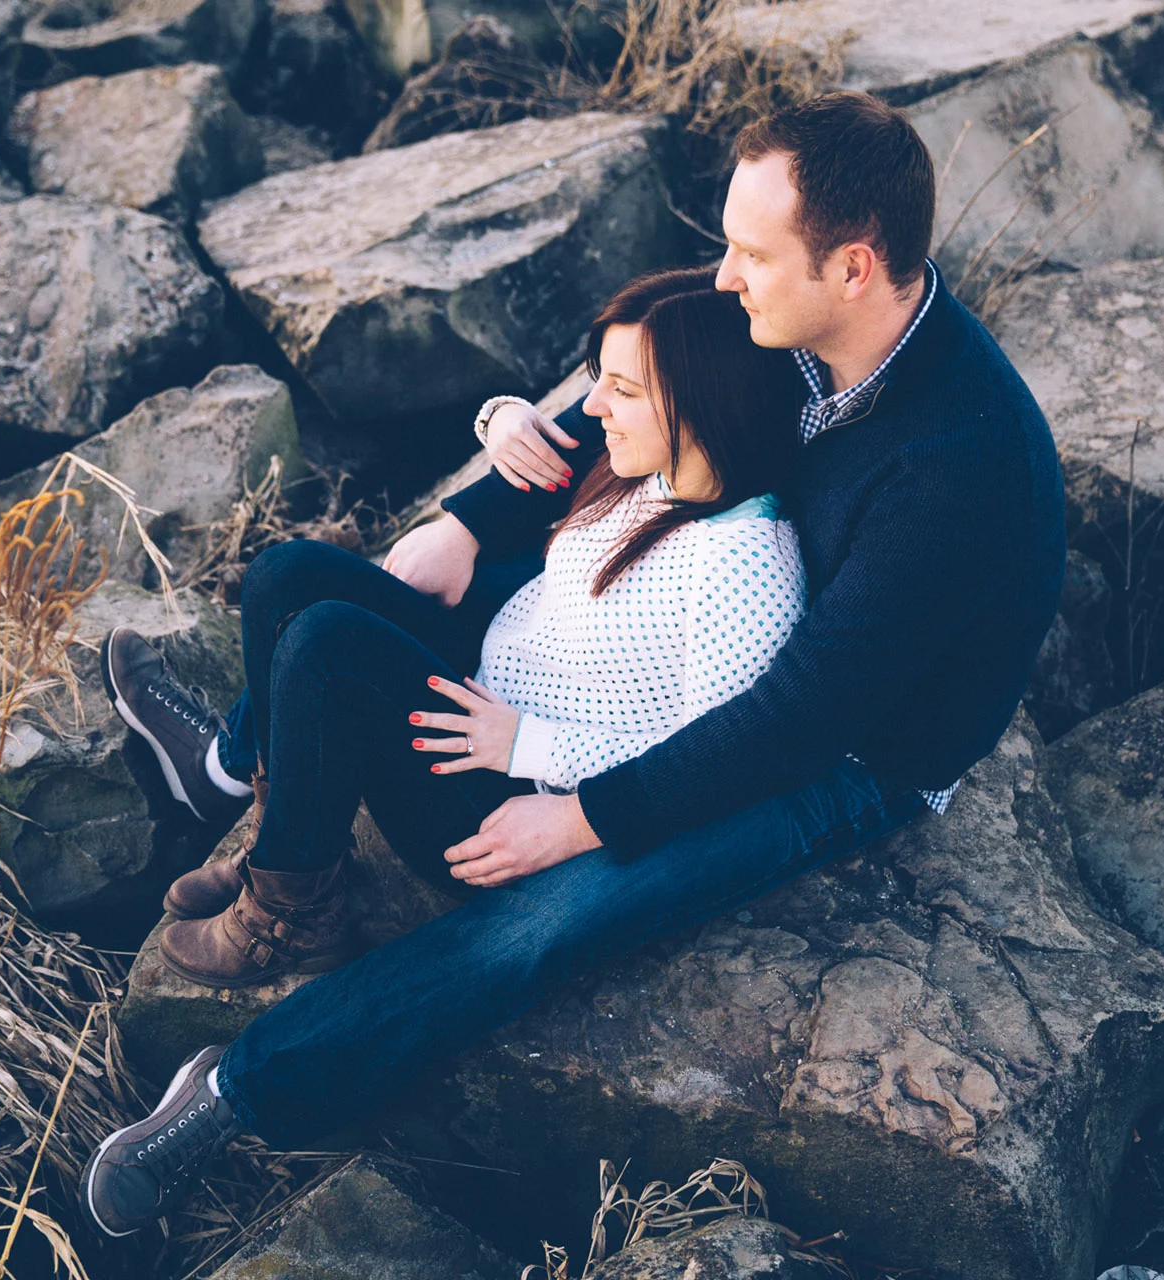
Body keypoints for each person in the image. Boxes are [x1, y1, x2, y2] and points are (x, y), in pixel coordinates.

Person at [80, 90, 1067, 1240]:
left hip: (850, 753)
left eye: (751, 255)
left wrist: (587, 809)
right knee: (307, 586)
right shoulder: (791, 315)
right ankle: (231, 775)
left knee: (543, 925)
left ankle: (239, 1093)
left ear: (852, 267)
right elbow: (648, 382)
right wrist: (471, 514)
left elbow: (800, 716)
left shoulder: (958, 469)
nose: (726, 277)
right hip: (668, 585)